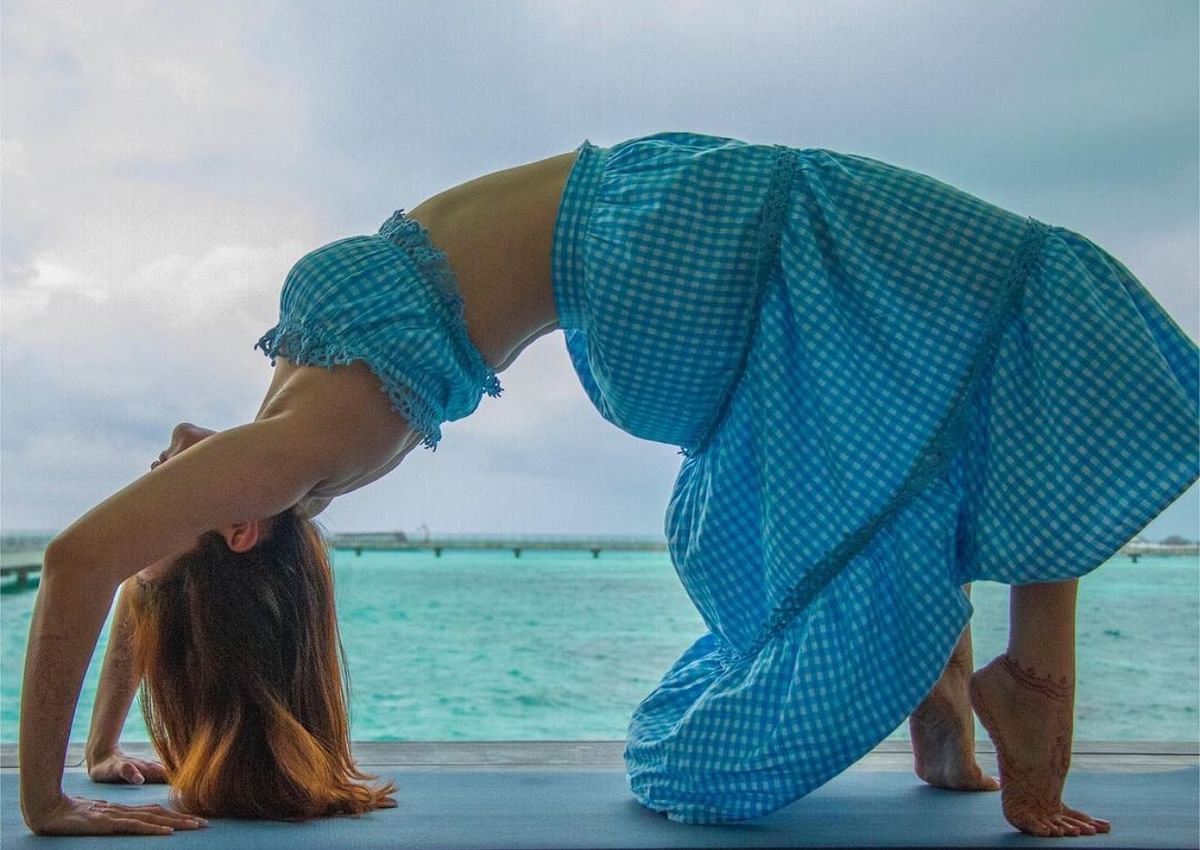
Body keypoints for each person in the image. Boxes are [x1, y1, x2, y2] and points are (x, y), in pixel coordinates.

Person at [19, 132, 1199, 838]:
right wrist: (48, 805)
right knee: (1024, 295)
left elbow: (139, 584)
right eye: (168, 494)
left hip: (644, 219)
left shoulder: (272, 450)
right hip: (650, 256)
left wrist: (110, 741)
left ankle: (952, 671)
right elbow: (89, 562)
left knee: (953, 343)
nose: (162, 452)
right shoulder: (280, 458)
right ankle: (1013, 674)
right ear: (231, 527)